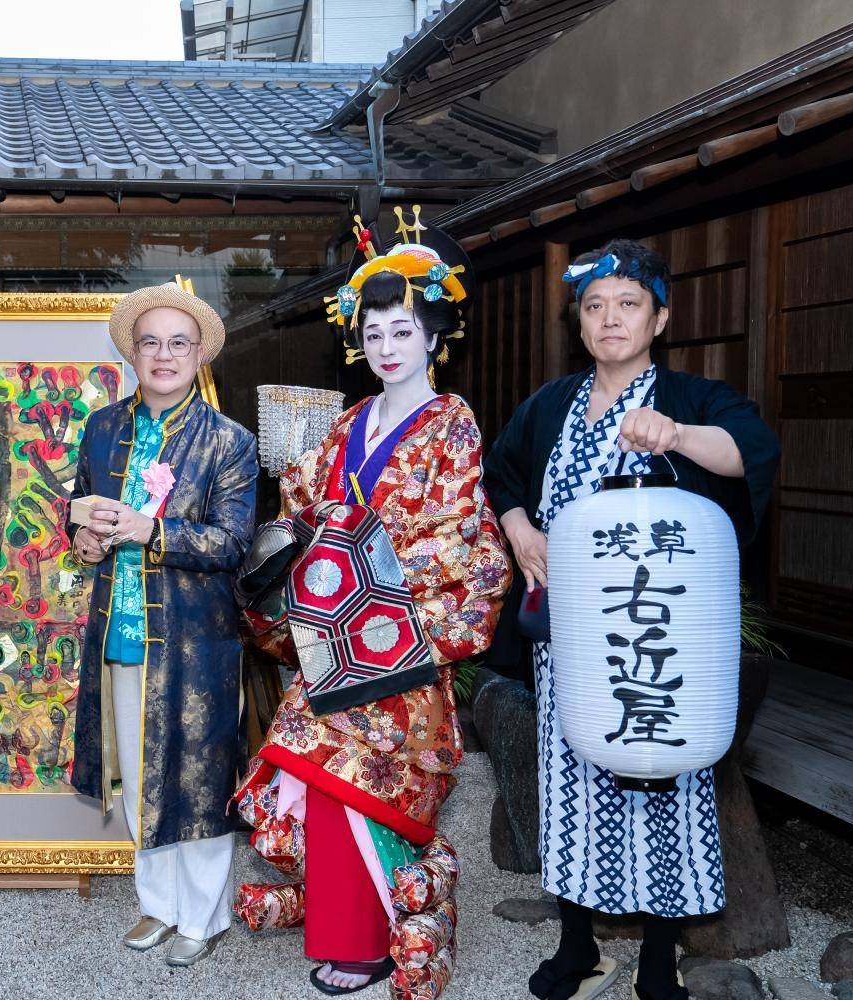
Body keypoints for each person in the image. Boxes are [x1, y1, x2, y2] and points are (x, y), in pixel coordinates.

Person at [483, 238, 780, 1000]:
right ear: (579, 322)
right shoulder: (550, 405)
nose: (610, 319)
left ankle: (657, 958)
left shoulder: (691, 399)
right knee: (572, 786)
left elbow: (750, 450)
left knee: (665, 791)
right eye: (594, 306)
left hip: (658, 639)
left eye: (628, 304)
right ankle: (577, 944)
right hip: (573, 639)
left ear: (660, 318)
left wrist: (675, 436)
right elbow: (502, 471)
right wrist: (519, 528)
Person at [236, 208, 511, 995]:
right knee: (322, 783)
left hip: (399, 638)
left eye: (403, 331)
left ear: (434, 336)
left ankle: (366, 940)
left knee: (365, 783)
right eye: (375, 332)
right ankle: (348, 921)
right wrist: (295, 546)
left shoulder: (451, 424)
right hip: (333, 637)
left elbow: (453, 533)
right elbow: (302, 504)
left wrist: (357, 564)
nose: (388, 347)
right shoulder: (347, 422)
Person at [68, 282, 258, 967]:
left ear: (200, 353)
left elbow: (232, 542)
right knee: (138, 772)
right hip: (119, 631)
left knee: (199, 777)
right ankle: (158, 903)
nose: (164, 355)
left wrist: (150, 530)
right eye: (150, 342)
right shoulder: (102, 428)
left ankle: (203, 917)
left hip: (196, 640)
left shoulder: (229, 441)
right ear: (133, 353)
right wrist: (84, 539)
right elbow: (77, 506)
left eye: (179, 343)